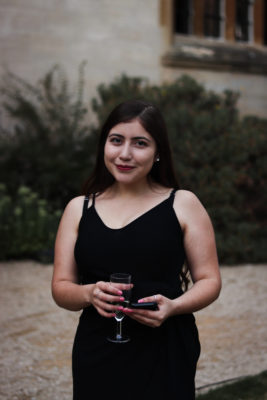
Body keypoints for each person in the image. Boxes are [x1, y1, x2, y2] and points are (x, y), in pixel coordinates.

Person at [52, 99, 221, 400]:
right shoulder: (79, 209)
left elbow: (210, 280)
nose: (125, 154)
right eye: (116, 140)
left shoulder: (183, 204)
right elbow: (61, 288)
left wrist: (174, 307)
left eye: (140, 143)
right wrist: (88, 293)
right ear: (104, 144)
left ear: (158, 153)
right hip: (97, 349)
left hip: (166, 349)